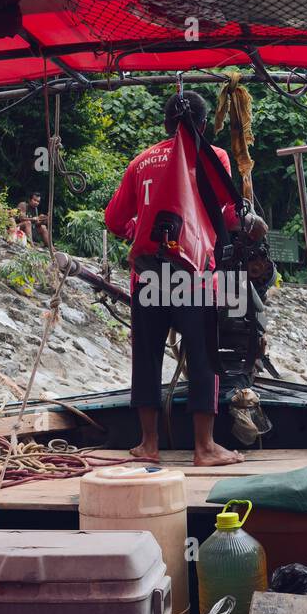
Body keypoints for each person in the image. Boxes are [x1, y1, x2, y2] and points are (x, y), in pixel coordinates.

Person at [104, 91, 244, 467]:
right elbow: (229, 216)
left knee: (146, 358)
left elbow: (115, 220)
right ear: (202, 125)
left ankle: (148, 445)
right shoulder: (216, 159)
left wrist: (140, 227)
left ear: (166, 125)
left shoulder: (141, 161)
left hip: (148, 274)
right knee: (204, 358)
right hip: (195, 276)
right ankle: (205, 448)